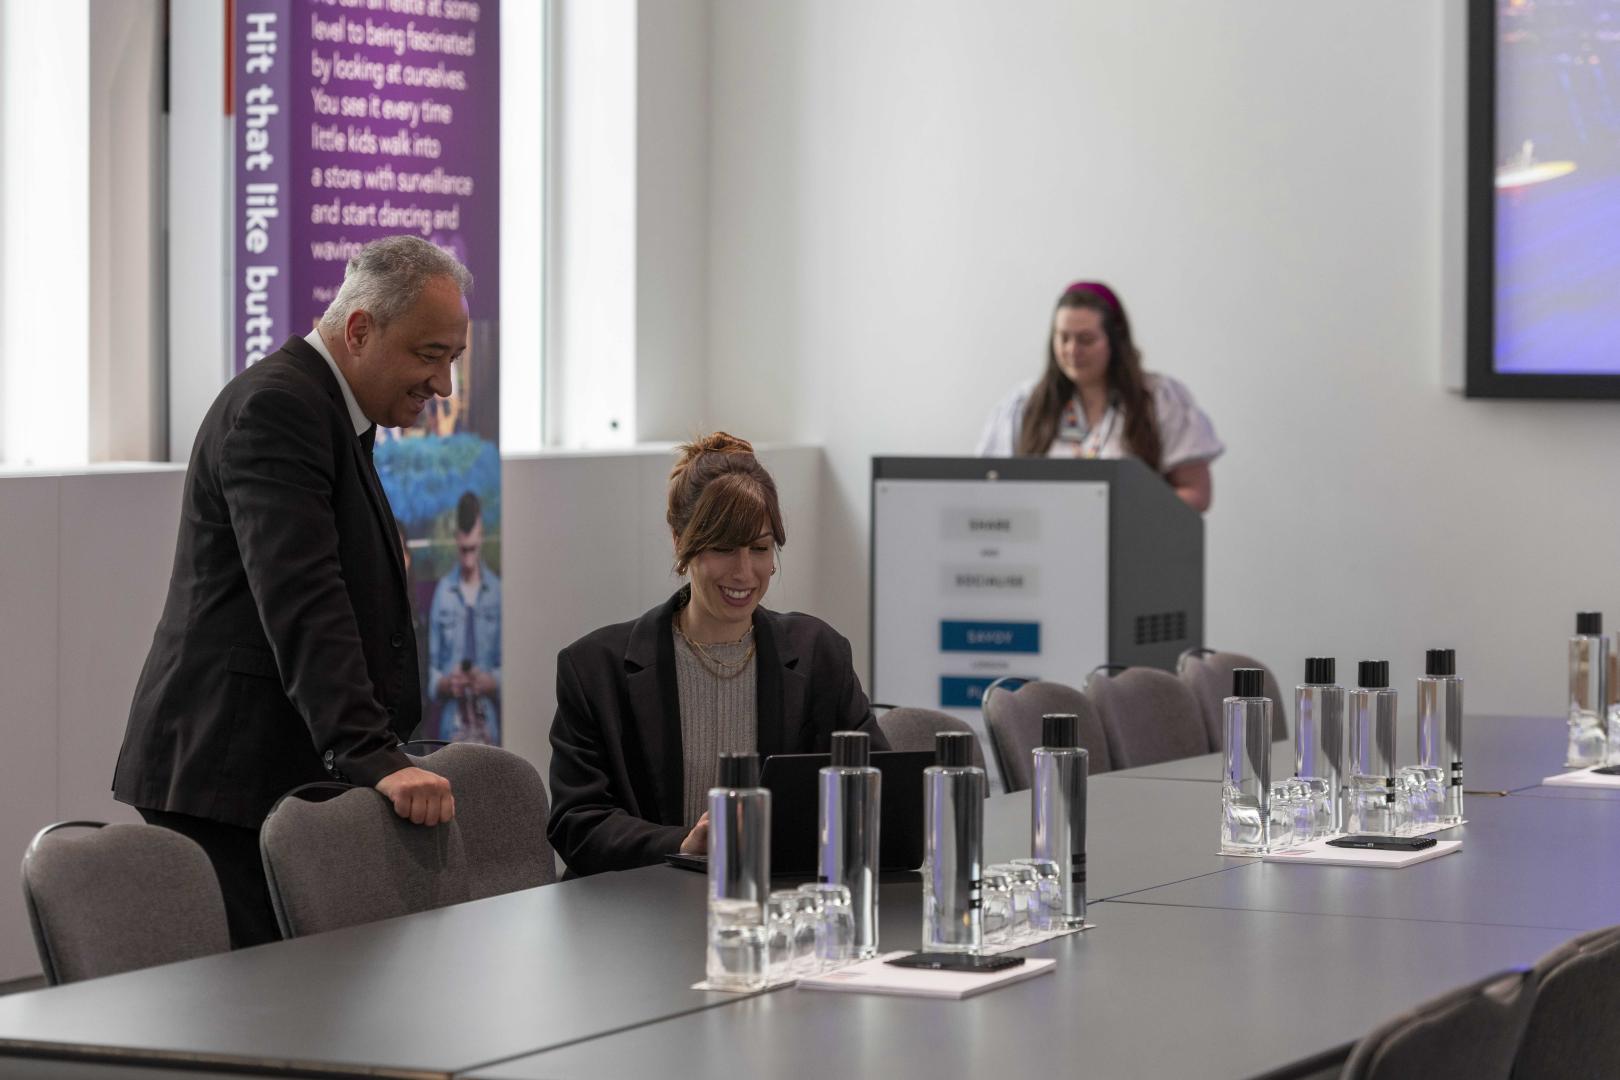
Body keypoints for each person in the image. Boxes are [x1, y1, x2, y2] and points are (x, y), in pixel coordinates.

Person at [113, 235, 467, 947]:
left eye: (452, 360)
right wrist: (373, 757)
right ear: (360, 328)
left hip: (272, 780)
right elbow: (305, 601)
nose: (443, 388)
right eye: (430, 355)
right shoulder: (280, 408)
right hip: (230, 784)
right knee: (261, 1028)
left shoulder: (330, 413)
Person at [547, 433, 888, 875]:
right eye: (723, 548)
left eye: (760, 549)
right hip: (645, 915)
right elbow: (577, 824)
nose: (744, 572)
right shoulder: (594, 670)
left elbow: (880, 792)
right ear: (679, 540)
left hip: (779, 910)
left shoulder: (820, 654)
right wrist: (683, 843)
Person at [977, 281, 1224, 511]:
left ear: (1115, 340)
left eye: (1086, 339)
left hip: (1132, 549)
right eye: (1063, 338)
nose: (1072, 350)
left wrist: (1124, 511)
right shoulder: (1024, 403)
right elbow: (987, 487)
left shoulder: (1159, 398)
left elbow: (1196, 493)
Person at [429, 490, 502, 744]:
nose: (468, 557)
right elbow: (431, 670)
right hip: (452, 729)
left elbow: (514, 667)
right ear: (455, 540)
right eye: (463, 550)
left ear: (481, 535)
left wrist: (492, 681)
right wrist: (448, 684)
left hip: (489, 729)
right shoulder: (443, 593)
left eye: (472, 549)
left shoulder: (497, 592)